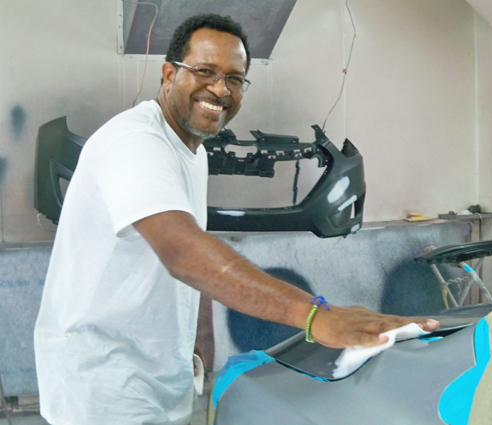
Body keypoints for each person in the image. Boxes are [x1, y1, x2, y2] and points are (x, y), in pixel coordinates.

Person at [34, 14, 439, 425]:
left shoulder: (194, 151)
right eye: (205, 71)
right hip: (103, 386)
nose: (219, 89)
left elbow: (193, 246)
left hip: (157, 377)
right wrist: (317, 316)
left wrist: (200, 341)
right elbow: (181, 251)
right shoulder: (136, 142)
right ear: (169, 73)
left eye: (234, 78)